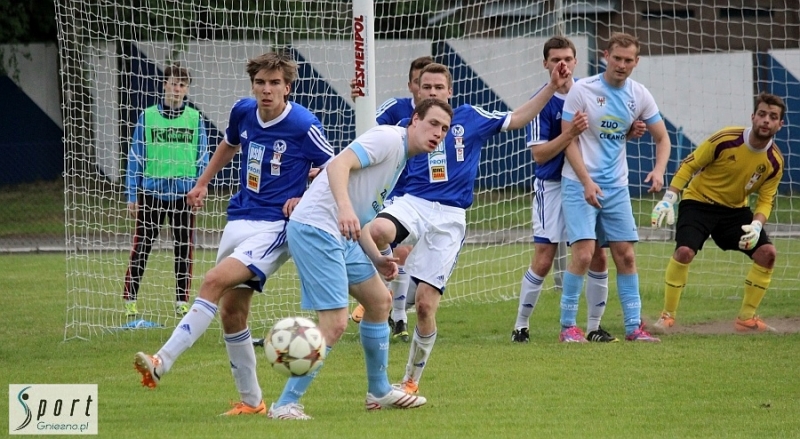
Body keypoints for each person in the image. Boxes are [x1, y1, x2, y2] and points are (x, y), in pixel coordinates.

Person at [133, 52, 335, 417]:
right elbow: (229, 144)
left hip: (274, 226)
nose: (267, 89)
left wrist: (303, 198)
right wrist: (202, 183)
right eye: (261, 82)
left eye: (275, 83)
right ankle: (252, 402)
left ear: (288, 88)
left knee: (212, 281)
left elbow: (335, 168)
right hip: (239, 217)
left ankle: (161, 361)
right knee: (231, 312)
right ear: (253, 85)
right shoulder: (243, 111)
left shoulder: (304, 124)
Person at [369, 60, 573, 394]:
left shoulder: (470, 117)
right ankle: (375, 283)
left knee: (425, 305)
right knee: (377, 231)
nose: (432, 92)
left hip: (450, 217)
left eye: (439, 87)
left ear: (450, 92)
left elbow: (517, 118)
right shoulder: (406, 124)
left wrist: (551, 86)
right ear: (415, 89)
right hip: (412, 202)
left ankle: (410, 381)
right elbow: (368, 149)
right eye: (425, 86)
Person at [268, 98, 453, 419]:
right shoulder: (388, 138)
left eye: (445, 129)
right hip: (316, 229)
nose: (439, 133)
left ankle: (379, 391)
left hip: (341, 234)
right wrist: (343, 208)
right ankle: (284, 405)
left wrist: (377, 258)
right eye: (433, 123)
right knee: (335, 323)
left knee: (380, 302)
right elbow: (338, 165)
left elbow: (362, 215)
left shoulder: (401, 157)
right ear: (414, 120)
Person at [511, 36, 646, 344]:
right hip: (553, 186)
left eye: (568, 58)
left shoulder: (590, 93)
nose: (563, 64)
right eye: (555, 59)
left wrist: (628, 132)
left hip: (590, 184)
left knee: (596, 255)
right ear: (545, 64)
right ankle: (521, 325)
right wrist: (569, 133)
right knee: (544, 258)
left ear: (576, 61)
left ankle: (594, 327)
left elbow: (603, 138)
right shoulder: (541, 103)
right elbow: (539, 155)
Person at [557, 32, 670, 343]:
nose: (621, 64)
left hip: (616, 186)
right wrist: (586, 181)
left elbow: (662, 138)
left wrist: (659, 171)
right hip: (579, 183)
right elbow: (568, 140)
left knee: (626, 256)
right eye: (617, 58)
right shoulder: (582, 90)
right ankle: (568, 328)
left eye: (628, 60)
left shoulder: (639, 94)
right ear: (605, 56)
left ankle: (634, 327)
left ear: (636, 62)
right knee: (583, 255)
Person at [650, 93, 785, 333]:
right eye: (762, 114)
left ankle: (746, 319)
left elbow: (766, 199)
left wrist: (757, 225)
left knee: (768, 254)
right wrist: (669, 198)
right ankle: (667, 317)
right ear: (753, 117)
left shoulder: (774, 161)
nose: (766, 120)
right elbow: (690, 164)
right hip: (698, 202)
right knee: (684, 252)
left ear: (780, 124)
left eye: (773, 117)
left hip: (734, 212)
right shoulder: (725, 139)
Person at [350, 55, 435, 343]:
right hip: (391, 190)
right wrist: (360, 101)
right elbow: (367, 132)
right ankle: (391, 310)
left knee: (407, 256)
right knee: (390, 245)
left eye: (432, 84)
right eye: (420, 82)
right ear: (412, 85)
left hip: (421, 195)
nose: (426, 89)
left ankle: (392, 310)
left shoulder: (443, 119)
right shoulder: (396, 111)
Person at [123, 64, 209, 317]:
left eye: (182, 85)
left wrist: (199, 189)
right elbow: (135, 157)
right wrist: (132, 194)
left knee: (183, 248)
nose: (177, 88)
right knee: (142, 246)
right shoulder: (147, 116)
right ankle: (130, 300)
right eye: (173, 83)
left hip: (184, 195)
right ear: (164, 85)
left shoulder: (194, 118)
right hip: (152, 194)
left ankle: (182, 301)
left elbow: (202, 158)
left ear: (187, 90)